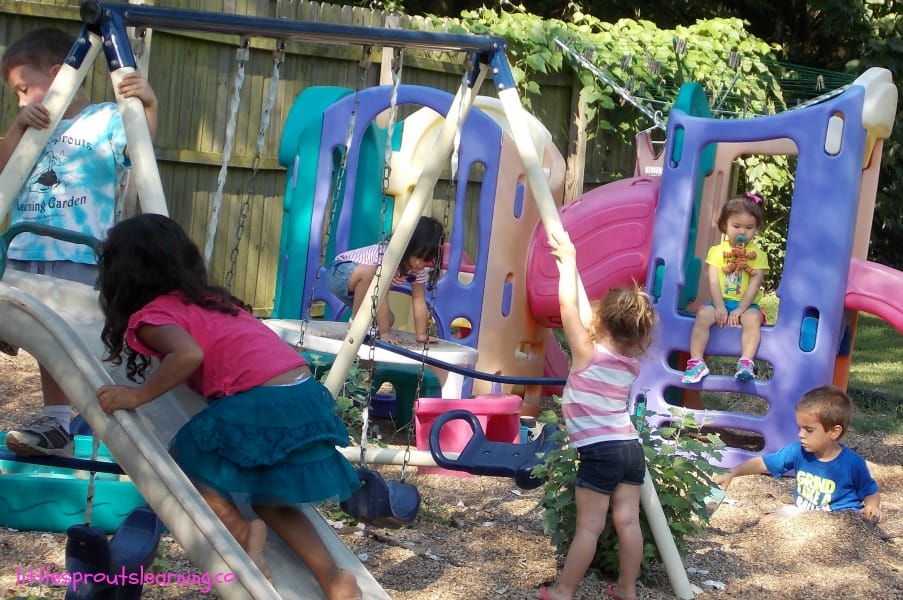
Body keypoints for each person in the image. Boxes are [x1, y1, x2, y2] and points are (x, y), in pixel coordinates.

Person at [94, 214, 363, 599]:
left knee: (183, 465)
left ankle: (241, 530)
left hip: (263, 399)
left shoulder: (151, 317)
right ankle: (335, 578)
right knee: (273, 498)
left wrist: (136, 395)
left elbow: (187, 354)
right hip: (301, 389)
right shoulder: (212, 302)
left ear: (122, 273)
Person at [1, 26, 158, 457]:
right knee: (40, 339)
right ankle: (55, 421)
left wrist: (148, 103)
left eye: (23, 89)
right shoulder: (31, 126)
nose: (19, 101)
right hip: (23, 248)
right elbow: (3, 172)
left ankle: (66, 421)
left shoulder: (104, 118)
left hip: (76, 250)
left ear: (58, 75)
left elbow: (140, 145)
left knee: (70, 340)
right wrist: (16, 127)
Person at [532, 234, 656, 600]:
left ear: (599, 324)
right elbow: (589, 320)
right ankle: (627, 590)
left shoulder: (587, 354)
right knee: (628, 521)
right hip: (629, 448)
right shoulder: (631, 363)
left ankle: (564, 591)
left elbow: (568, 307)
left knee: (590, 526)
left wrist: (568, 261)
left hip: (600, 451)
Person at [714, 384, 881, 522]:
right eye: (799, 428)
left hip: (837, 521)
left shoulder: (852, 463)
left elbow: (870, 491)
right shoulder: (797, 451)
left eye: (809, 430)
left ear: (834, 432)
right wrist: (732, 472)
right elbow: (763, 463)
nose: (801, 434)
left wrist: (872, 507)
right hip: (801, 514)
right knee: (766, 522)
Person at [682, 192, 770, 384]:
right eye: (736, 226)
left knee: (753, 319)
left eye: (749, 227)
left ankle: (746, 362)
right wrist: (720, 306)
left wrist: (740, 309)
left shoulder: (758, 254)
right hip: (720, 302)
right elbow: (713, 281)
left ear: (756, 228)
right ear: (724, 226)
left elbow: (754, 285)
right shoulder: (717, 251)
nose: (742, 232)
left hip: (747, 305)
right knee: (704, 316)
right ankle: (696, 361)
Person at [326, 215, 443, 345]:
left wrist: (421, 334)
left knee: (388, 319)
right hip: (341, 273)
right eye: (417, 256)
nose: (419, 263)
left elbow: (419, 299)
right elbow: (380, 294)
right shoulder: (389, 256)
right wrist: (385, 332)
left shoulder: (418, 271)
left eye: (426, 260)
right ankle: (356, 325)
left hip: (364, 289)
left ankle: (365, 331)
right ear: (407, 246)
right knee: (371, 274)